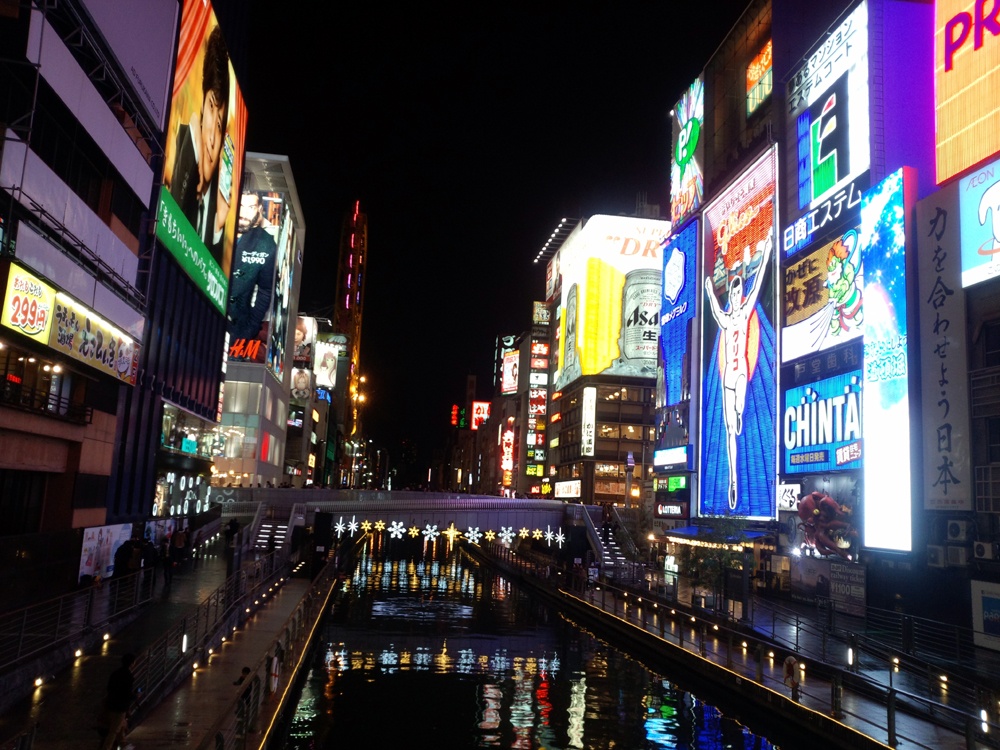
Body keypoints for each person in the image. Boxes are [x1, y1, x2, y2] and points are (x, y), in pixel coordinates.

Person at [703, 229, 773, 509]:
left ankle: (742, 411)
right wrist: (708, 287)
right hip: (726, 378)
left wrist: (767, 250)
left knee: (740, 402)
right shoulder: (725, 319)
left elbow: (757, 287)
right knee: (730, 430)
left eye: (738, 291)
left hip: (742, 369)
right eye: (733, 292)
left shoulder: (745, 314)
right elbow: (713, 307)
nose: (736, 295)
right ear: (730, 296)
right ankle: (733, 479)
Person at [169, 24, 230, 265]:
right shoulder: (182, 145)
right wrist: (189, 157)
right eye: (210, 107)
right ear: (202, 108)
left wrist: (219, 224)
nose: (212, 140)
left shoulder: (219, 208)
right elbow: (167, 230)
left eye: (220, 124)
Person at [227, 191, 277, 344]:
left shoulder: (266, 244)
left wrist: (251, 327)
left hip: (237, 329)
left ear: (259, 210)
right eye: (240, 205)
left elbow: (266, 290)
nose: (244, 213)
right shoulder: (215, 227)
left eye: (251, 207)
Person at [100, 653, 136, 750]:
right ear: (132, 663)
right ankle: (106, 748)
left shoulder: (115, 673)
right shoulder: (129, 677)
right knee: (114, 730)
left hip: (111, 704)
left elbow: (109, 688)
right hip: (120, 707)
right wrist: (135, 697)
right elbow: (127, 694)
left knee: (119, 727)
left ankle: (124, 745)